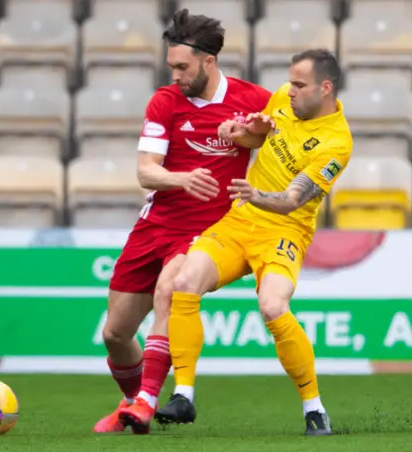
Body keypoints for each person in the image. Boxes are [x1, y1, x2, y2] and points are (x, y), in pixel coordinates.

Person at [153, 48, 353, 437]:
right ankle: (183, 395)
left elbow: (294, 199)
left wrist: (256, 194)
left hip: (284, 231)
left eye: (299, 85)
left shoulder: (336, 143)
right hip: (240, 221)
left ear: (325, 88)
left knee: (273, 305)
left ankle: (314, 409)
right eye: (290, 82)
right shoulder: (283, 99)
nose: (289, 91)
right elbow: (262, 134)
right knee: (183, 283)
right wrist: (240, 132)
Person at [93, 9, 272, 434]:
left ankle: (146, 403)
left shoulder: (252, 100)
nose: (174, 74)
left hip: (206, 230)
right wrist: (181, 179)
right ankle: (132, 400)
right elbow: (145, 172)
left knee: (169, 291)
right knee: (116, 335)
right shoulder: (165, 102)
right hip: (155, 224)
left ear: (208, 62)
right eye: (171, 65)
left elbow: (288, 133)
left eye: (182, 67)